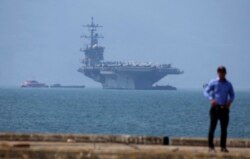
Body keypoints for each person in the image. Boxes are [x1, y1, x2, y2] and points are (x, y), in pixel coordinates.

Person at [204, 66, 235, 153]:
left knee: (224, 129)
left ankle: (223, 147)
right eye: (219, 71)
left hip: (224, 108)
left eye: (222, 71)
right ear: (217, 73)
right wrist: (211, 99)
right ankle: (211, 147)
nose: (220, 73)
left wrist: (230, 101)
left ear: (225, 73)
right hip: (215, 108)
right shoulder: (213, 82)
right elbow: (206, 91)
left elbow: (232, 95)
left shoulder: (228, 84)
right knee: (212, 128)